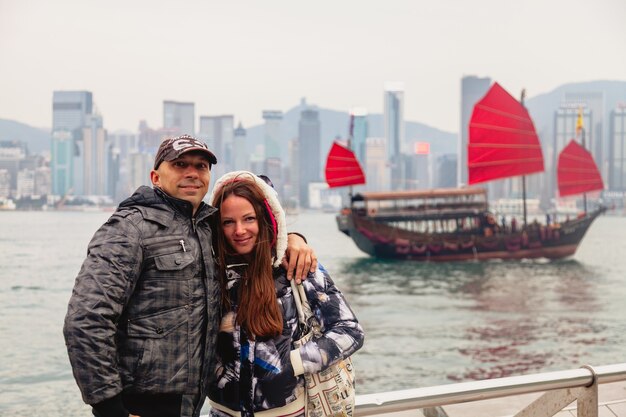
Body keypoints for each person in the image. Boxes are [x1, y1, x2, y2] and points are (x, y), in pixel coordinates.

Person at [63, 135, 317, 417]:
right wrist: (109, 407)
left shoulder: (207, 228)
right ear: (156, 176)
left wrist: (294, 239)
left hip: (191, 404)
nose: (192, 173)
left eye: (201, 166)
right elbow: (86, 319)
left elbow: (253, 234)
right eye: (180, 164)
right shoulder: (130, 229)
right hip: (139, 404)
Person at [207, 171, 364, 417]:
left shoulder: (295, 267)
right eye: (228, 222)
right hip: (222, 412)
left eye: (249, 219)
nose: (239, 230)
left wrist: (293, 363)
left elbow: (350, 330)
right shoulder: (210, 272)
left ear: (266, 218)